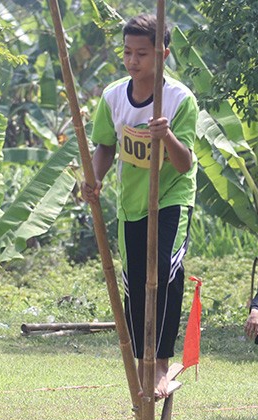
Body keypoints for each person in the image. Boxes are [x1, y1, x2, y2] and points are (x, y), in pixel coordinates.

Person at [83, 14, 198, 398]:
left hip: (171, 198)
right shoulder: (114, 96)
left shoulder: (180, 100)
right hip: (131, 204)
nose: (133, 61)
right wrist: (95, 179)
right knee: (135, 284)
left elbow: (184, 164)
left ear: (163, 54)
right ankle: (142, 362)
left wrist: (165, 136)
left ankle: (161, 365)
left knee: (163, 271)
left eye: (142, 54)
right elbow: (104, 146)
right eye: (128, 52)